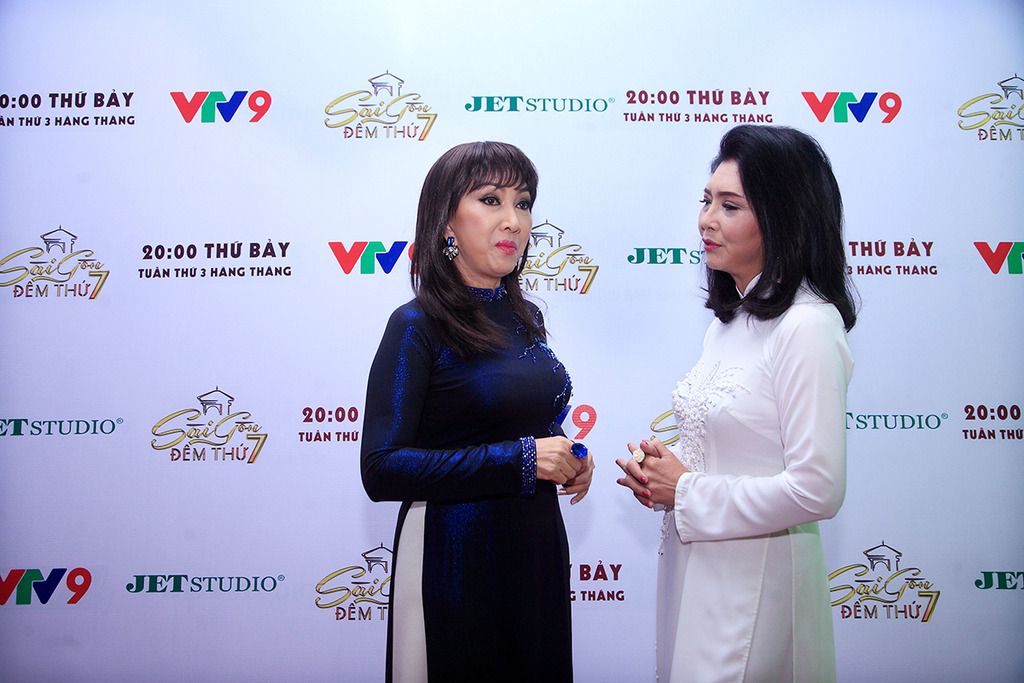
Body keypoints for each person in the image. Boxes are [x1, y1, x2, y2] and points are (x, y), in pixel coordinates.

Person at [616, 125, 856, 683]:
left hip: (757, 586)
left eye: (730, 206)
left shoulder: (807, 325)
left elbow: (819, 488)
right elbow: (735, 444)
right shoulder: (730, 322)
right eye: (706, 201)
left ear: (782, 217)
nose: (707, 219)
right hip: (696, 570)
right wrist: (664, 472)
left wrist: (686, 490)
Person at [361, 141, 593, 682]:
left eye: (523, 202)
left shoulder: (525, 316)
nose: (513, 219)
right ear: (446, 221)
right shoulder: (416, 325)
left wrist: (571, 457)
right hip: (452, 556)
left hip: (534, 549)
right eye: (491, 200)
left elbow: (530, 426)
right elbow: (381, 468)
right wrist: (522, 460)